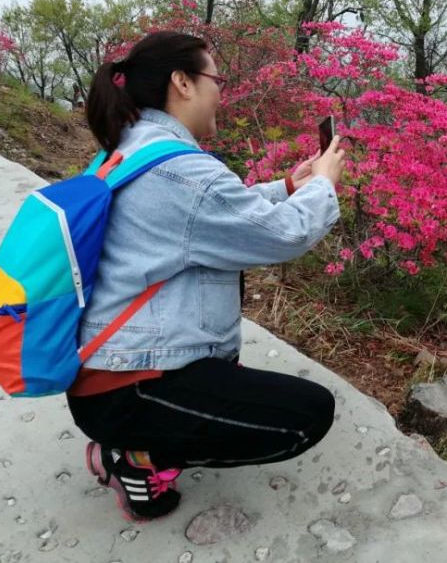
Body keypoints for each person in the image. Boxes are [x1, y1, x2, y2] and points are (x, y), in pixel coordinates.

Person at [69, 31, 345, 521]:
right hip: (130, 390)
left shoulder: (133, 150)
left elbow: (211, 213)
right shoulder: (183, 172)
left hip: (104, 379)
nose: (222, 91)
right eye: (216, 78)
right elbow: (286, 234)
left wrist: (286, 185)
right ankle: (132, 458)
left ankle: (140, 439)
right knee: (305, 417)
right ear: (182, 82)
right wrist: (323, 185)